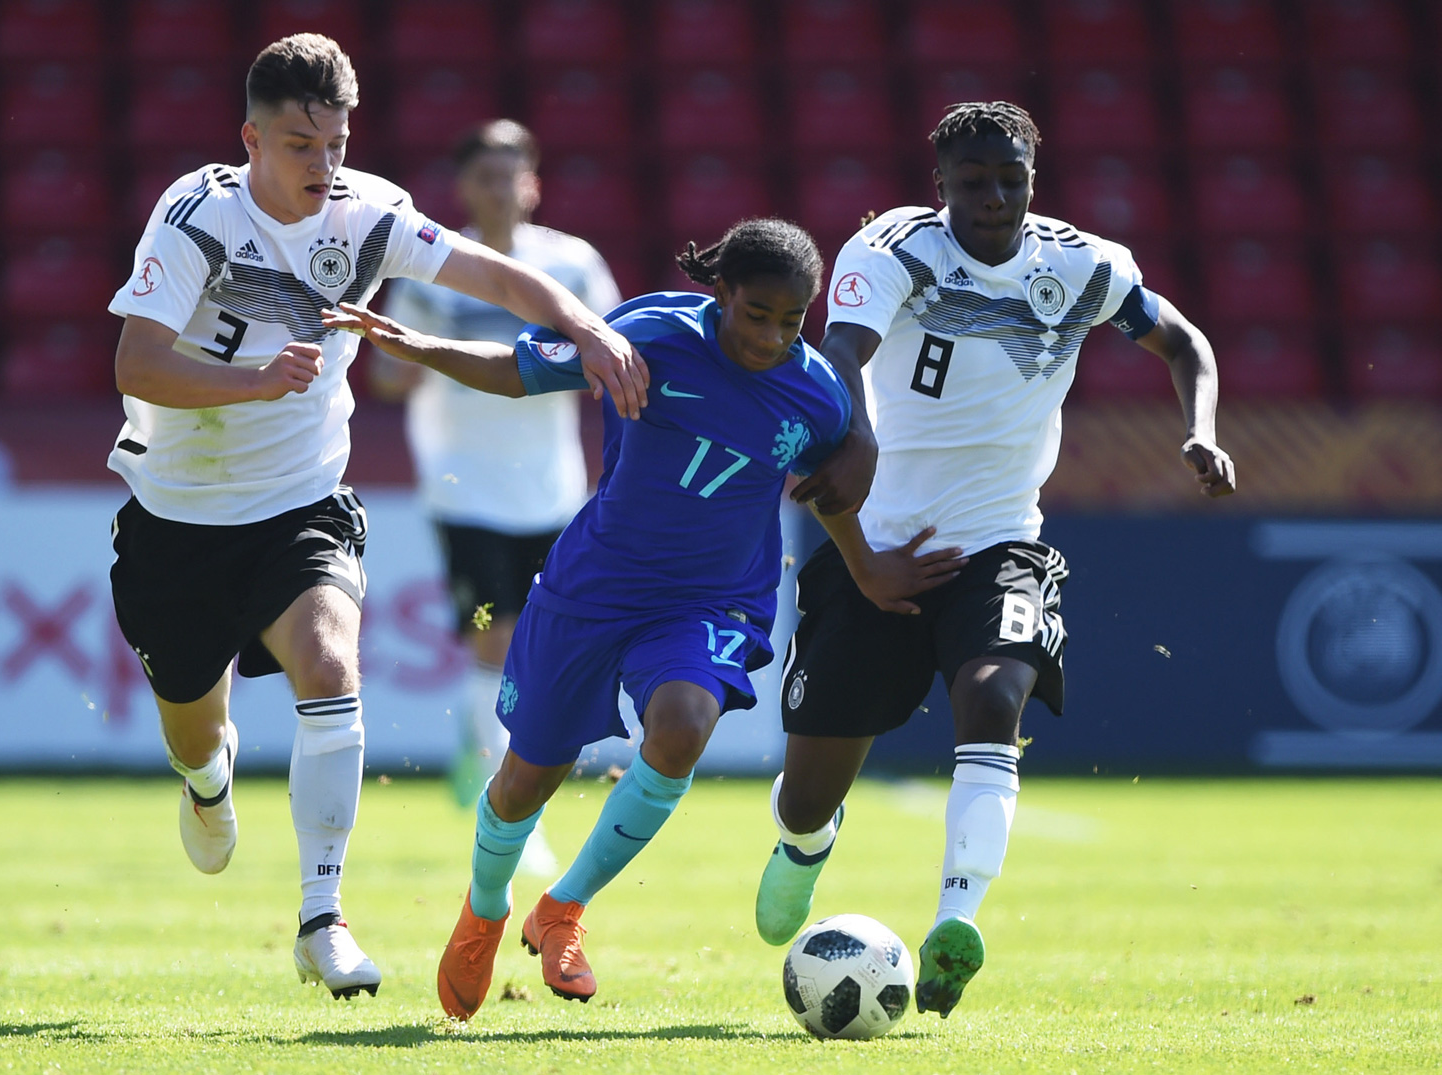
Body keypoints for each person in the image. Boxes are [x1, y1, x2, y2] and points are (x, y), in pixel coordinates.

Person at [105, 33, 646, 1001]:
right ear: (251, 139)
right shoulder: (195, 217)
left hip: (300, 503)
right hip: (176, 517)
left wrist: (585, 324)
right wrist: (252, 379)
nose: (323, 165)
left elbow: (491, 275)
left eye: (337, 144)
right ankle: (206, 779)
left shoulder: (370, 215)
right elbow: (135, 364)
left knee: (332, 665)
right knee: (194, 730)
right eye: (299, 145)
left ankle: (322, 920)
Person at [324, 218, 929, 1022]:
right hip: (594, 589)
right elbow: (517, 370)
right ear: (724, 295)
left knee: (682, 724)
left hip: (711, 602)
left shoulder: (815, 389)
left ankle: (564, 908)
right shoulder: (649, 334)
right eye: (757, 315)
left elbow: (833, 486)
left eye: (792, 321)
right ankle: (486, 906)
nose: (774, 336)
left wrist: (866, 553)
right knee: (524, 780)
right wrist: (418, 345)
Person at [753, 101, 1238, 1019]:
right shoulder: (893, 253)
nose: (995, 198)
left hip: (1004, 541)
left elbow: (1184, 342)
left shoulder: (1082, 266)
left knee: (993, 694)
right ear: (940, 187)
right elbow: (837, 368)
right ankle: (801, 845)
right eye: (973, 182)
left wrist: (1200, 432)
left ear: (1032, 179)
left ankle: (955, 921)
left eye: (1011, 179)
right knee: (810, 795)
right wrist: (856, 534)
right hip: (880, 543)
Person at [371, 120, 622, 875]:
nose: (500, 187)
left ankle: (490, 760)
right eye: (486, 174)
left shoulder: (571, 267)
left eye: (512, 173)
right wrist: (414, 362)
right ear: (465, 187)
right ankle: (507, 805)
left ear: (534, 182)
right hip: (462, 486)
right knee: (496, 637)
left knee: (539, 647)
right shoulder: (433, 268)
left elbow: (611, 351)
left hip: (551, 489)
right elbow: (385, 374)